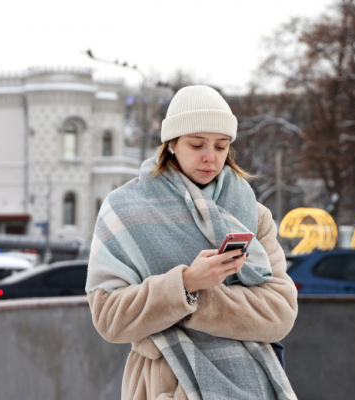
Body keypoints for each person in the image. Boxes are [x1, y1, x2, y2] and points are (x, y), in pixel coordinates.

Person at [86, 85, 298, 400]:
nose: (210, 157)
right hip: (168, 385)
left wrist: (193, 300)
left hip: (255, 385)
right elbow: (109, 317)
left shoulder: (253, 215)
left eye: (221, 146)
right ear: (171, 143)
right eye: (197, 144)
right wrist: (185, 283)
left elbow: (280, 313)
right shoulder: (124, 210)